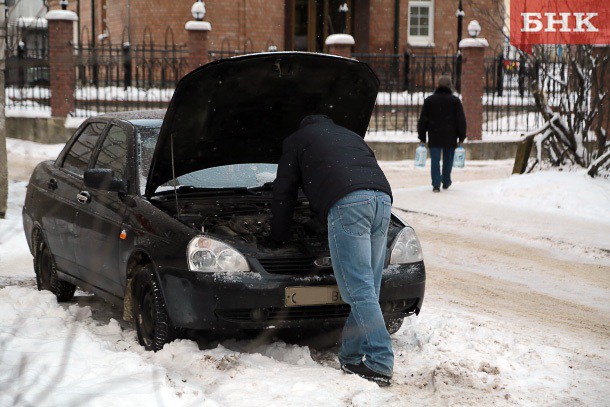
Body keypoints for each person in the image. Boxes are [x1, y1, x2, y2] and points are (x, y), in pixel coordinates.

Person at [270, 114, 394, 386]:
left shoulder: (296, 140)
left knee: (358, 289)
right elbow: (348, 171)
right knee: (368, 288)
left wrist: (277, 236)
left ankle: (381, 362)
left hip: (349, 202)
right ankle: (350, 356)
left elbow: (284, 192)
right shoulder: (349, 135)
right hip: (382, 199)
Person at [417, 75, 467, 192]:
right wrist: (461, 136)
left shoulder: (429, 101)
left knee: (435, 160)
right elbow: (461, 120)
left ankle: (435, 184)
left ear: (438, 85)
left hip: (434, 135)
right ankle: (446, 181)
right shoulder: (455, 101)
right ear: (449, 86)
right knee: (448, 160)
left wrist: (422, 137)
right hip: (450, 136)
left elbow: (423, 120)